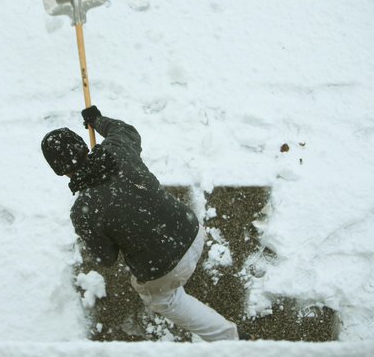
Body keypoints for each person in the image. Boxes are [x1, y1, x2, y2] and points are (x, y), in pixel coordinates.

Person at [41, 105, 241, 341]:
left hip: (164, 270)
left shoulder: (84, 211)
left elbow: (106, 259)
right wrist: (98, 120)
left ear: (59, 170)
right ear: (83, 146)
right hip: (192, 229)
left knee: (163, 300)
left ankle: (231, 339)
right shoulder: (117, 148)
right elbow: (126, 130)